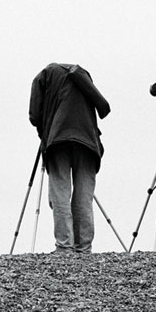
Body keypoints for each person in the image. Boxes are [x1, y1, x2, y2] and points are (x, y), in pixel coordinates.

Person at [28, 62, 111, 254]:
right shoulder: (84, 75)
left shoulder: (44, 75)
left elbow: (34, 115)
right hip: (88, 142)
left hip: (58, 139)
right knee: (84, 196)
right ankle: (83, 248)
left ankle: (64, 247)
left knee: (60, 193)